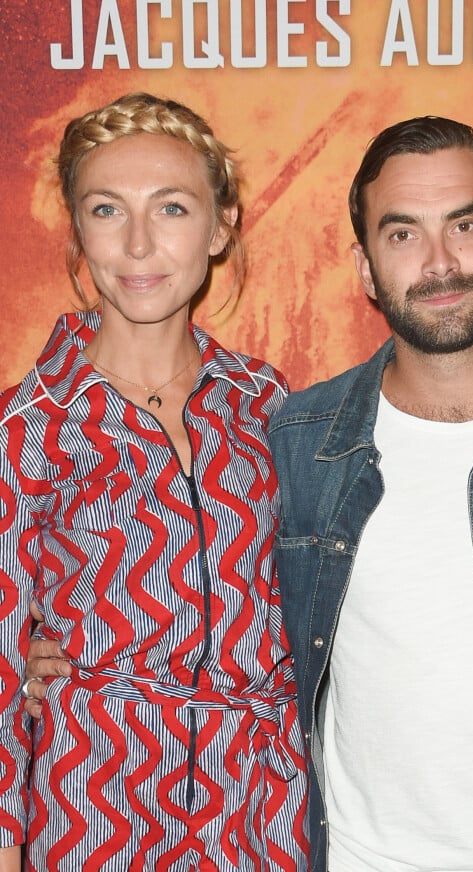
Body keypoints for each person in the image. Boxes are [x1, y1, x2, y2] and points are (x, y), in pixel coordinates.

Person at [0, 93, 309, 871]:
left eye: (171, 208)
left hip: (262, 809)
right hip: (93, 805)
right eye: (108, 210)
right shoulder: (29, 424)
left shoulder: (271, 407)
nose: (139, 244)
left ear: (220, 225)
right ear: (77, 230)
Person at [267, 118, 473, 871]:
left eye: (464, 225)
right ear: (366, 268)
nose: (440, 264)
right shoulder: (296, 442)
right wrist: (70, 656)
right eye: (403, 235)